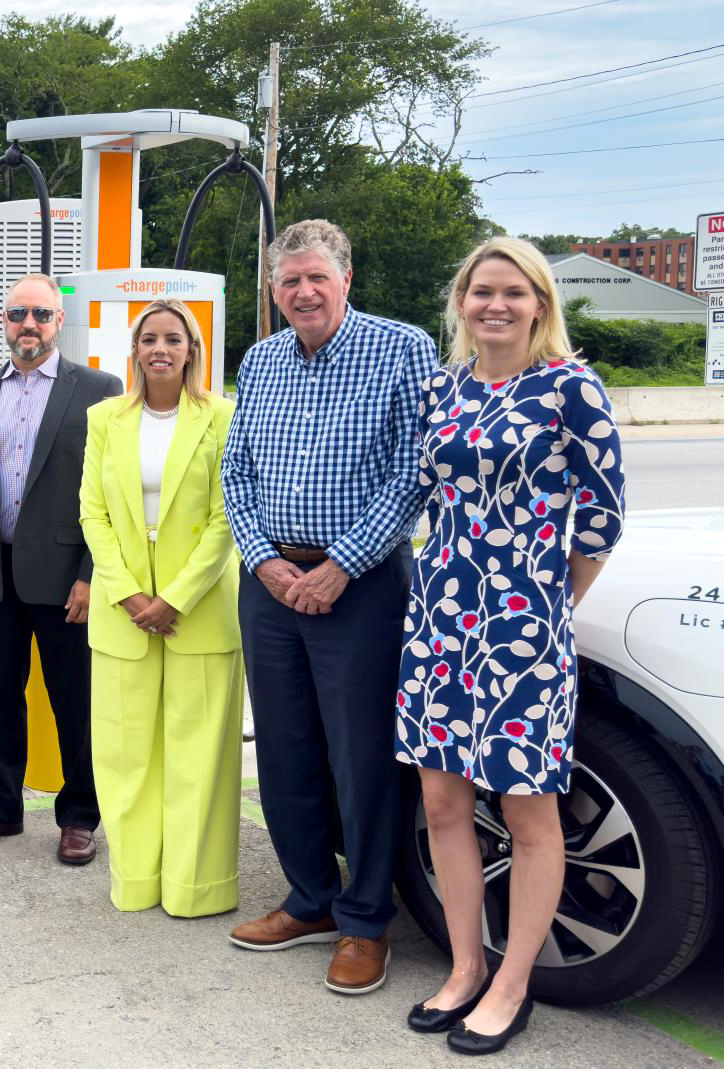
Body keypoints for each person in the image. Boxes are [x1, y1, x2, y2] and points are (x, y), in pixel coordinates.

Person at [395, 237, 625, 1054]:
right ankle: (465, 967)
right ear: (461, 301)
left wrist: (546, 605)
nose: (496, 305)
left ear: (539, 304)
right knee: (442, 803)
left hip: (524, 628)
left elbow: (602, 516)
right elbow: (422, 491)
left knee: (528, 810)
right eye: (482, 291)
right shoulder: (443, 386)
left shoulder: (570, 386)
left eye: (514, 292)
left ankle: (512, 982)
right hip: (438, 618)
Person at [220, 219, 440, 995]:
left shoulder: (402, 348)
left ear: (346, 277)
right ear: (273, 290)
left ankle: (366, 919)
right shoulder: (263, 359)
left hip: (362, 584)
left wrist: (342, 563)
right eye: (290, 281)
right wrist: (263, 559)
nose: (304, 291)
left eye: (317, 276)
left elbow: (417, 468)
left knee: (361, 756)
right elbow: (236, 470)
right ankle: (310, 897)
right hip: (271, 582)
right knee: (284, 750)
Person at [0, 273, 121, 864]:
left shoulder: (98, 390)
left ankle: (80, 816)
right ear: (4, 321)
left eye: (41, 314)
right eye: (18, 314)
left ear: (59, 321)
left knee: (74, 701)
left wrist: (91, 575)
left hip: (66, 577)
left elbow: (110, 494)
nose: (29, 325)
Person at [78, 299, 242, 917]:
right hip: (124, 611)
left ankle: (196, 887)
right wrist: (127, 592)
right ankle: (137, 878)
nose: (161, 349)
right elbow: (92, 512)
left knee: (199, 756)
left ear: (192, 349)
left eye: (174, 339)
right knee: (126, 755)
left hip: (200, 607)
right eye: (150, 339)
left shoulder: (223, 416)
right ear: (135, 349)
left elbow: (229, 515)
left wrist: (175, 597)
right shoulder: (104, 418)